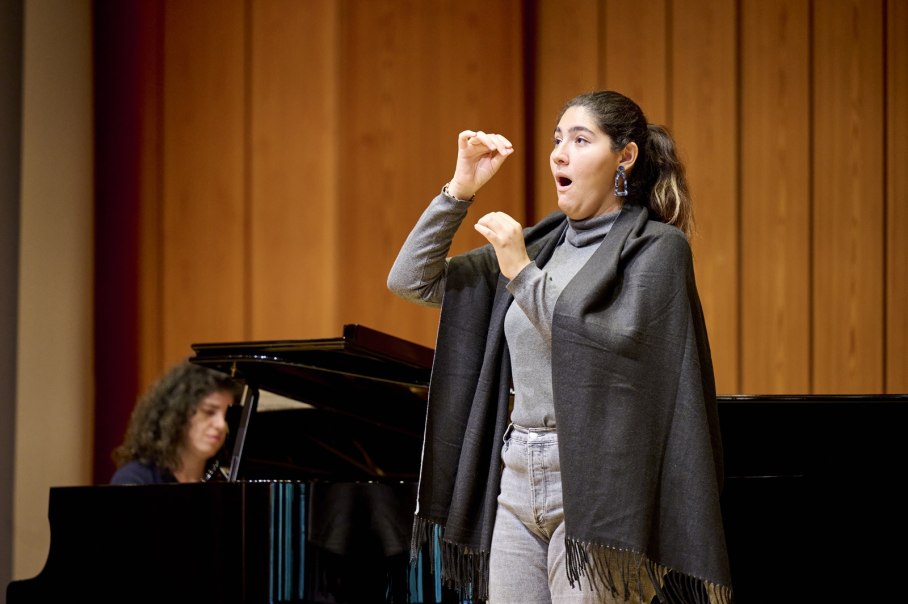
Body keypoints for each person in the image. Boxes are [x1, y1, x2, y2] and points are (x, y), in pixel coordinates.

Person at [387, 90, 732, 603]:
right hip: (519, 471)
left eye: (580, 139)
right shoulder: (543, 243)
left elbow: (604, 350)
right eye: (556, 140)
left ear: (625, 156)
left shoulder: (657, 250)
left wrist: (521, 273)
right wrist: (458, 191)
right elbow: (410, 280)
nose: (559, 153)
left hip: (601, 484)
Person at [110, 360, 241, 485]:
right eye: (208, 412)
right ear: (179, 412)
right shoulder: (137, 478)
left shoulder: (225, 479)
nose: (221, 425)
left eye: (227, 416)